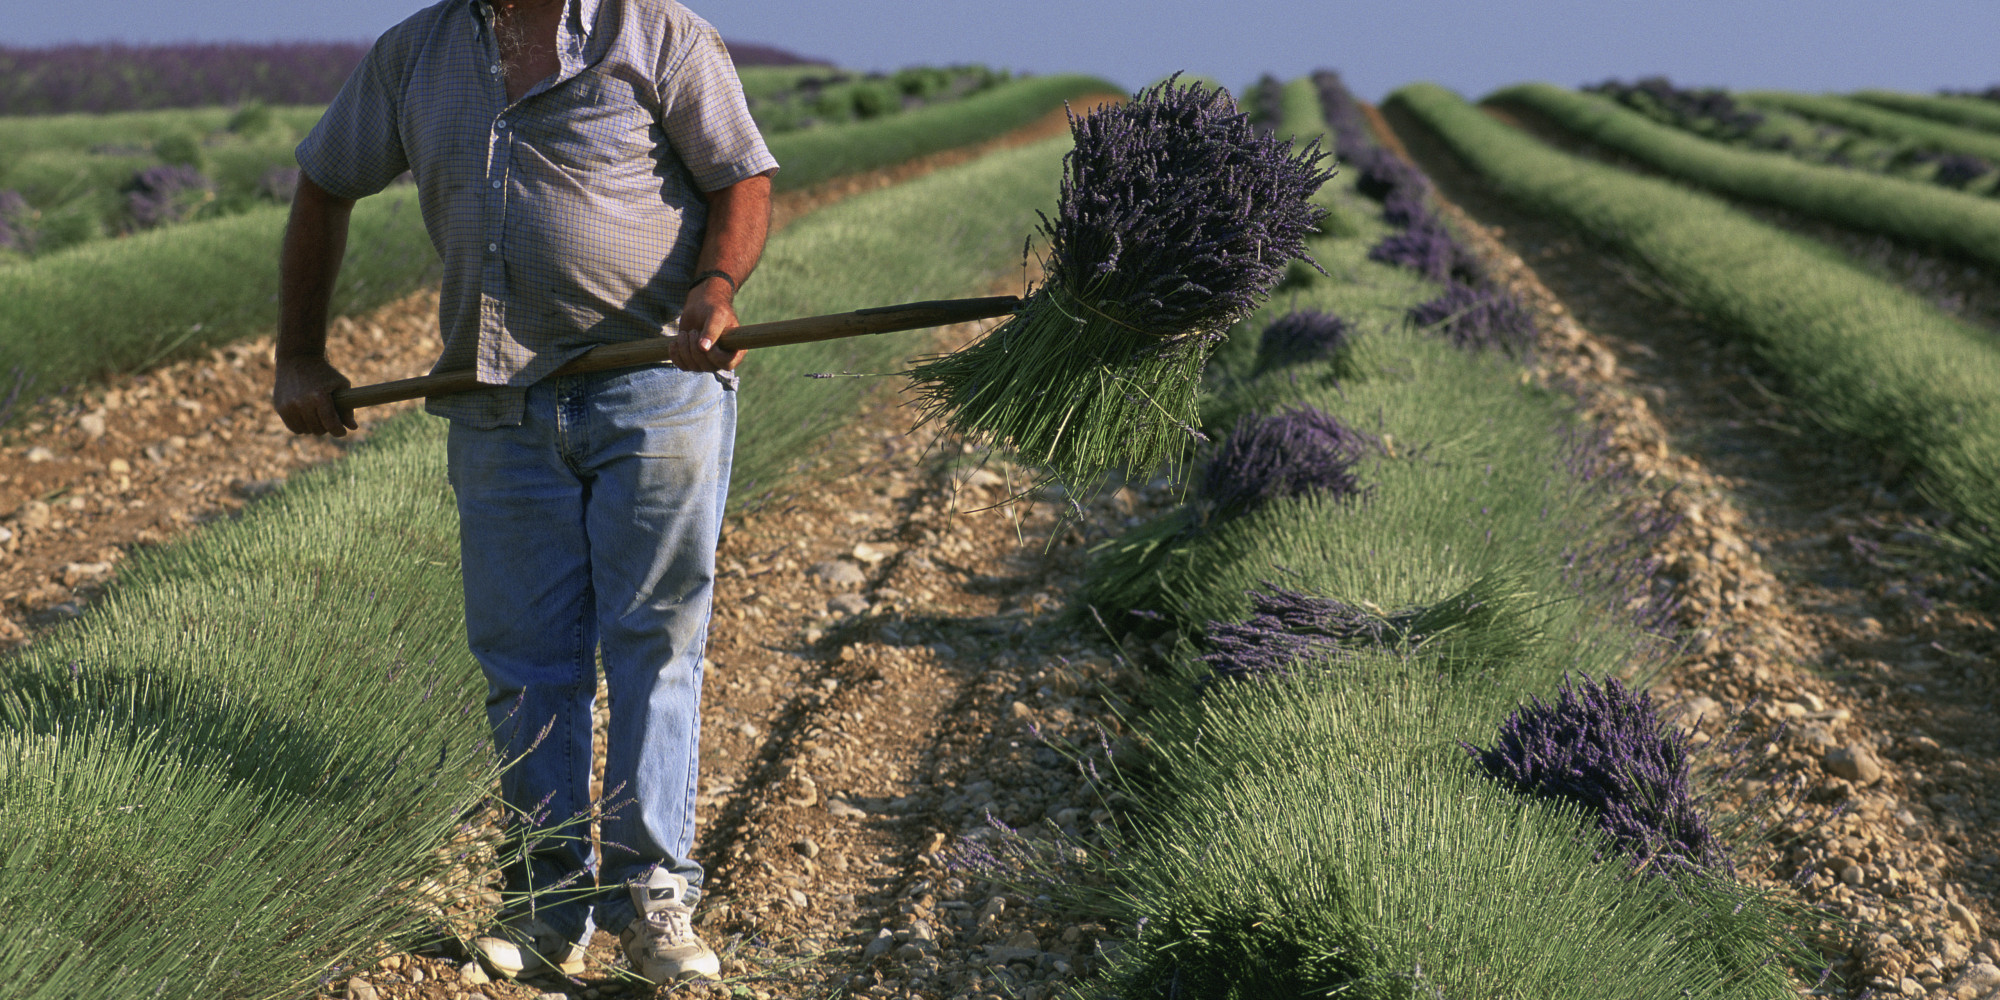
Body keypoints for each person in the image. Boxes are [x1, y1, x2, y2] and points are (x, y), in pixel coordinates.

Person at [272, 0, 776, 984]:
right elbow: (323, 184)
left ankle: (653, 900)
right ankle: (548, 901)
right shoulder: (412, 56)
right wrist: (299, 353)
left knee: (653, 643)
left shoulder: (661, 35)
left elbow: (741, 178)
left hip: (653, 391)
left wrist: (713, 292)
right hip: (497, 398)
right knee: (525, 661)